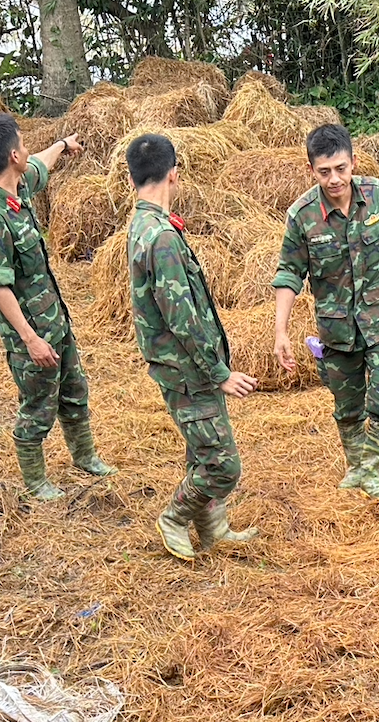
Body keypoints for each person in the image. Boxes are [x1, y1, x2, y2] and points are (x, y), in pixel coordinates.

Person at [272, 123, 379, 501]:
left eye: (341, 169)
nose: (334, 179)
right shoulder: (302, 216)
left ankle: (371, 471)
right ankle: (357, 467)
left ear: (353, 162)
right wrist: (280, 331)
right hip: (338, 330)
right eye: (324, 172)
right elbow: (289, 273)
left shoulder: (375, 195)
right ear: (312, 170)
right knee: (347, 409)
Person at [125, 133, 259, 562]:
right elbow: (182, 316)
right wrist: (218, 372)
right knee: (222, 464)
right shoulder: (160, 237)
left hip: (181, 365)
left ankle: (213, 526)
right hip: (187, 369)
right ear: (174, 175)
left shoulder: (144, 226)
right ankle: (174, 516)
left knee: (201, 450)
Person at [0, 112, 113, 500]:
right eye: (23, 143)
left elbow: (40, 165)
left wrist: (63, 146)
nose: (28, 150)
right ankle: (35, 480)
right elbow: (0, 289)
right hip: (30, 334)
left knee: (74, 389)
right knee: (38, 406)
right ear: (12, 154)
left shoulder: (17, 187)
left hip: (55, 319)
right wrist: (31, 340)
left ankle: (85, 456)